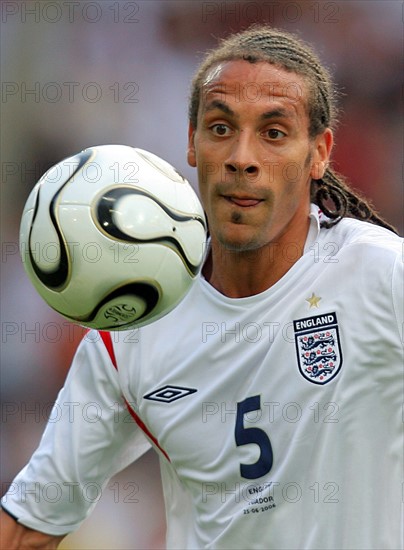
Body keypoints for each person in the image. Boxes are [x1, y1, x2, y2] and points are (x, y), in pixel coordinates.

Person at [1, 25, 402, 550]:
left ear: (320, 153)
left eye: (273, 133)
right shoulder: (131, 328)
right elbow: (29, 526)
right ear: (191, 143)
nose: (242, 157)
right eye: (219, 128)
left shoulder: (380, 275)